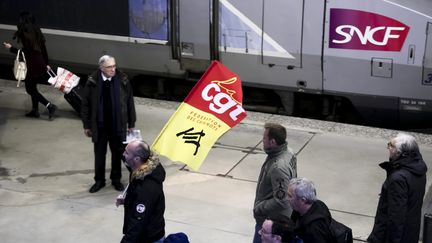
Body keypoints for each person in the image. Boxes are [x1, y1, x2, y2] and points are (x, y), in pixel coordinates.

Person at [81, 55, 136, 193]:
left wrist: (131, 122)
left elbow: (129, 102)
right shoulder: (92, 81)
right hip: (99, 126)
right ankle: (99, 181)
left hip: (117, 124)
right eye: (109, 67)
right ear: (101, 68)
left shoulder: (122, 80)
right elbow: (85, 105)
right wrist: (86, 125)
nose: (113, 69)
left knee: (117, 153)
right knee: (99, 154)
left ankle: (116, 180)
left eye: (114, 66)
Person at [368, 133, 428, 243]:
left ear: (400, 152)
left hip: (393, 236)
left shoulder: (398, 179)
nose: (388, 148)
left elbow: (396, 216)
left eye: (391, 145)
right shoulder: (418, 169)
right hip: (410, 232)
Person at [3, 11, 57, 120]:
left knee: (30, 90)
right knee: (33, 87)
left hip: (31, 65)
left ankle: (50, 106)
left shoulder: (24, 32)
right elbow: (43, 49)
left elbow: (26, 52)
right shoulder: (37, 31)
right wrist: (46, 63)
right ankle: (34, 110)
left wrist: (11, 48)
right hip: (39, 62)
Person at [253, 123, 297, 243]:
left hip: (271, 221)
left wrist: (259, 208)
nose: (262, 140)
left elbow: (281, 199)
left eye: (264, 138)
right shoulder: (289, 152)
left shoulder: (278, 167)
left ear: (272, 142)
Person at [117, 140, 166, 243]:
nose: (123, 154)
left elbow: (138, 221)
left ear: (137, 159)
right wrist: (127, 201)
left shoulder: (146, 187)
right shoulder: (141, 169)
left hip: (148, 238)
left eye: (126, 152)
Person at [287, 177, 333, 243]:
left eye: (290, 196)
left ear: (303, 200)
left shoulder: (313, 229)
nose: (287, 199)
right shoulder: (318, 204)